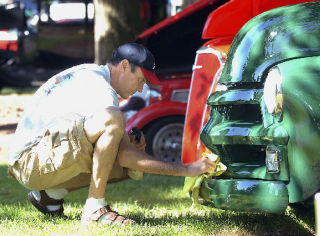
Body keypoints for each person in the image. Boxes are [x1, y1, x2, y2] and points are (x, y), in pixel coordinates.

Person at [7, 43, 216, 226]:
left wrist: (129, 149)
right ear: (125, 65)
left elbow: (123, 159)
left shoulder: (90, 72)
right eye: (141, 79)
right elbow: (126, 156)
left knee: (128, 168)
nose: (141, 88)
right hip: (31, 161)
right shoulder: (101, 88)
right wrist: (187, 169)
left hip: (31, 160)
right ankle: (95, 209)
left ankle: (50, 195)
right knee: (114, 119)